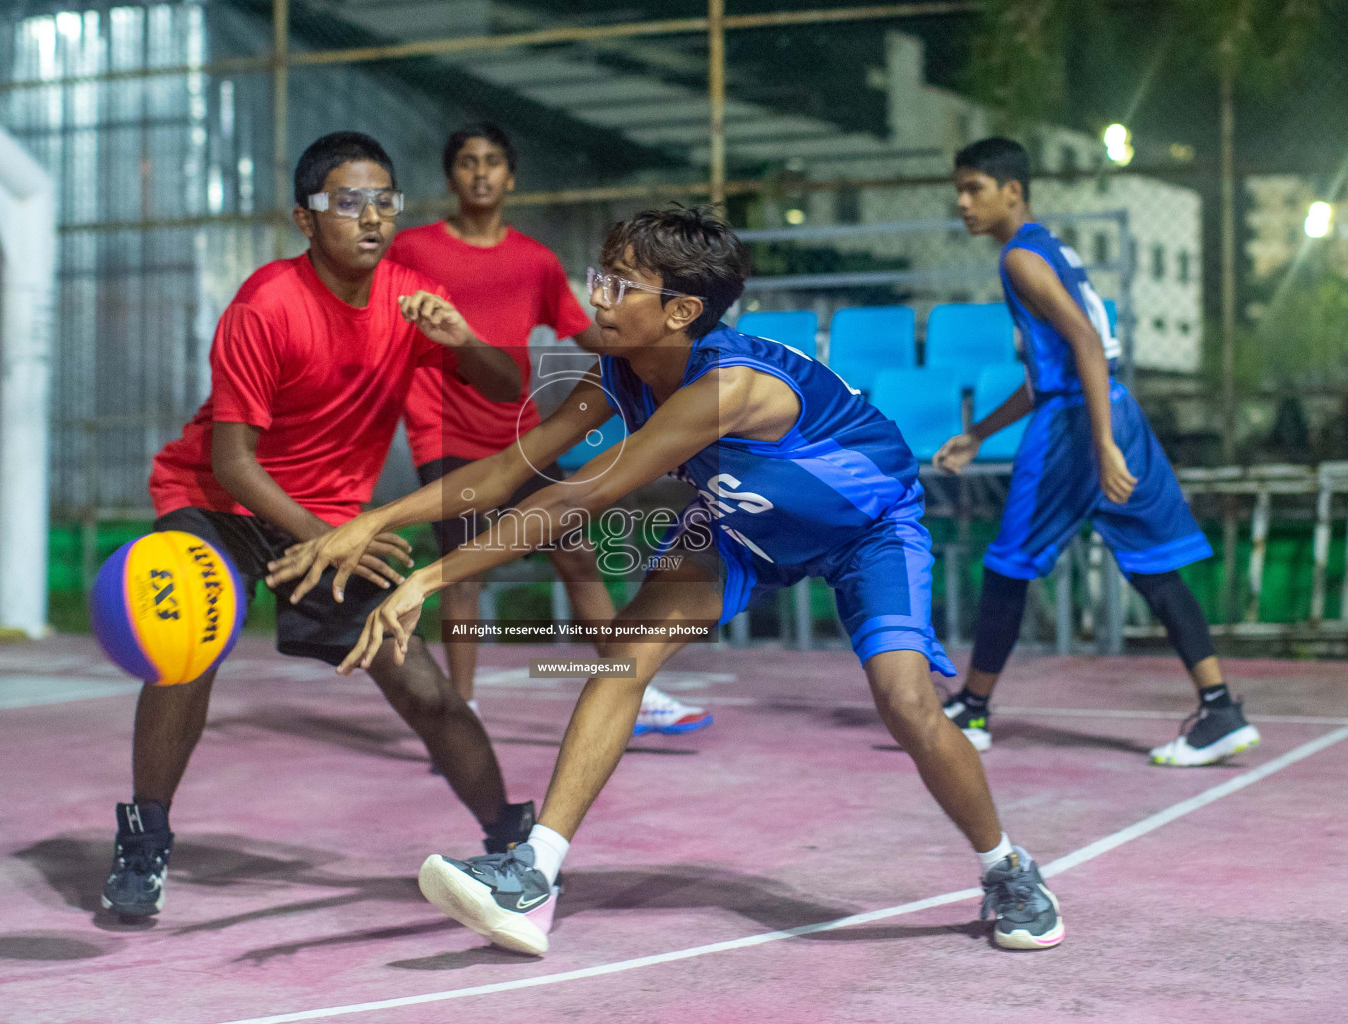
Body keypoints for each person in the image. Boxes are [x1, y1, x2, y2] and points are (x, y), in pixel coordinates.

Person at [268, 207, 1065, 954]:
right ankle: (532, 875)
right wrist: (370, 523)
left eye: (620, 284)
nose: (598, 297)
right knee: (621, 659)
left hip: (867, 532)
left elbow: (581, 493)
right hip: (742, 525)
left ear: (681, 311)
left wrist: (425, 581)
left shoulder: (724, 387)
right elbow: (516, 465)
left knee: (905, 700)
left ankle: (1007, 868)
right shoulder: (618, 370)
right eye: (600, 275)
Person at [101, 132, 534, 919]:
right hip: (220, 504)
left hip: (330, 520)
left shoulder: (410, 298)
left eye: (384, 201)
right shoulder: (266, 304)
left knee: (423, 686)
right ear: (307, 219)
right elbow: (233, 462)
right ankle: (145, 836)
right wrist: (323, 536)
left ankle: (512, 844)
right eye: (348, 202)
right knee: (186, 651)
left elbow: (509, 389)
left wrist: (461, 340)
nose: (370, 217)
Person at [936, 137, 1259, 767]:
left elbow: (1082, 341)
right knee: (1154, 568)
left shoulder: (1020, 259)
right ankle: (1220, 708)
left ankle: (973, 710)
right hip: (1111, 405)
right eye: (959, 191)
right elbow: (1052, 368)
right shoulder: (1051, 247)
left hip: (1077, 423)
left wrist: (1100, 442)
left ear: (1013, 191)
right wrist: (980, 433)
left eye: (974, 189)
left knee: (1008, 564)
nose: (963, 203)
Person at [388, 122, 711, 738]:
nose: (480, 173)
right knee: (464, 566)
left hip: (518, 433)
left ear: (511, 178)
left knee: (575, 551)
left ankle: (630, 691)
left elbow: (585, 334)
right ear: (451, 176)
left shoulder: (534, 260)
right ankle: (462, 713)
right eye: (466, 162)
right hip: (443, 430)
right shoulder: (413, 251)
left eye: (492, 163)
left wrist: (656, 343)